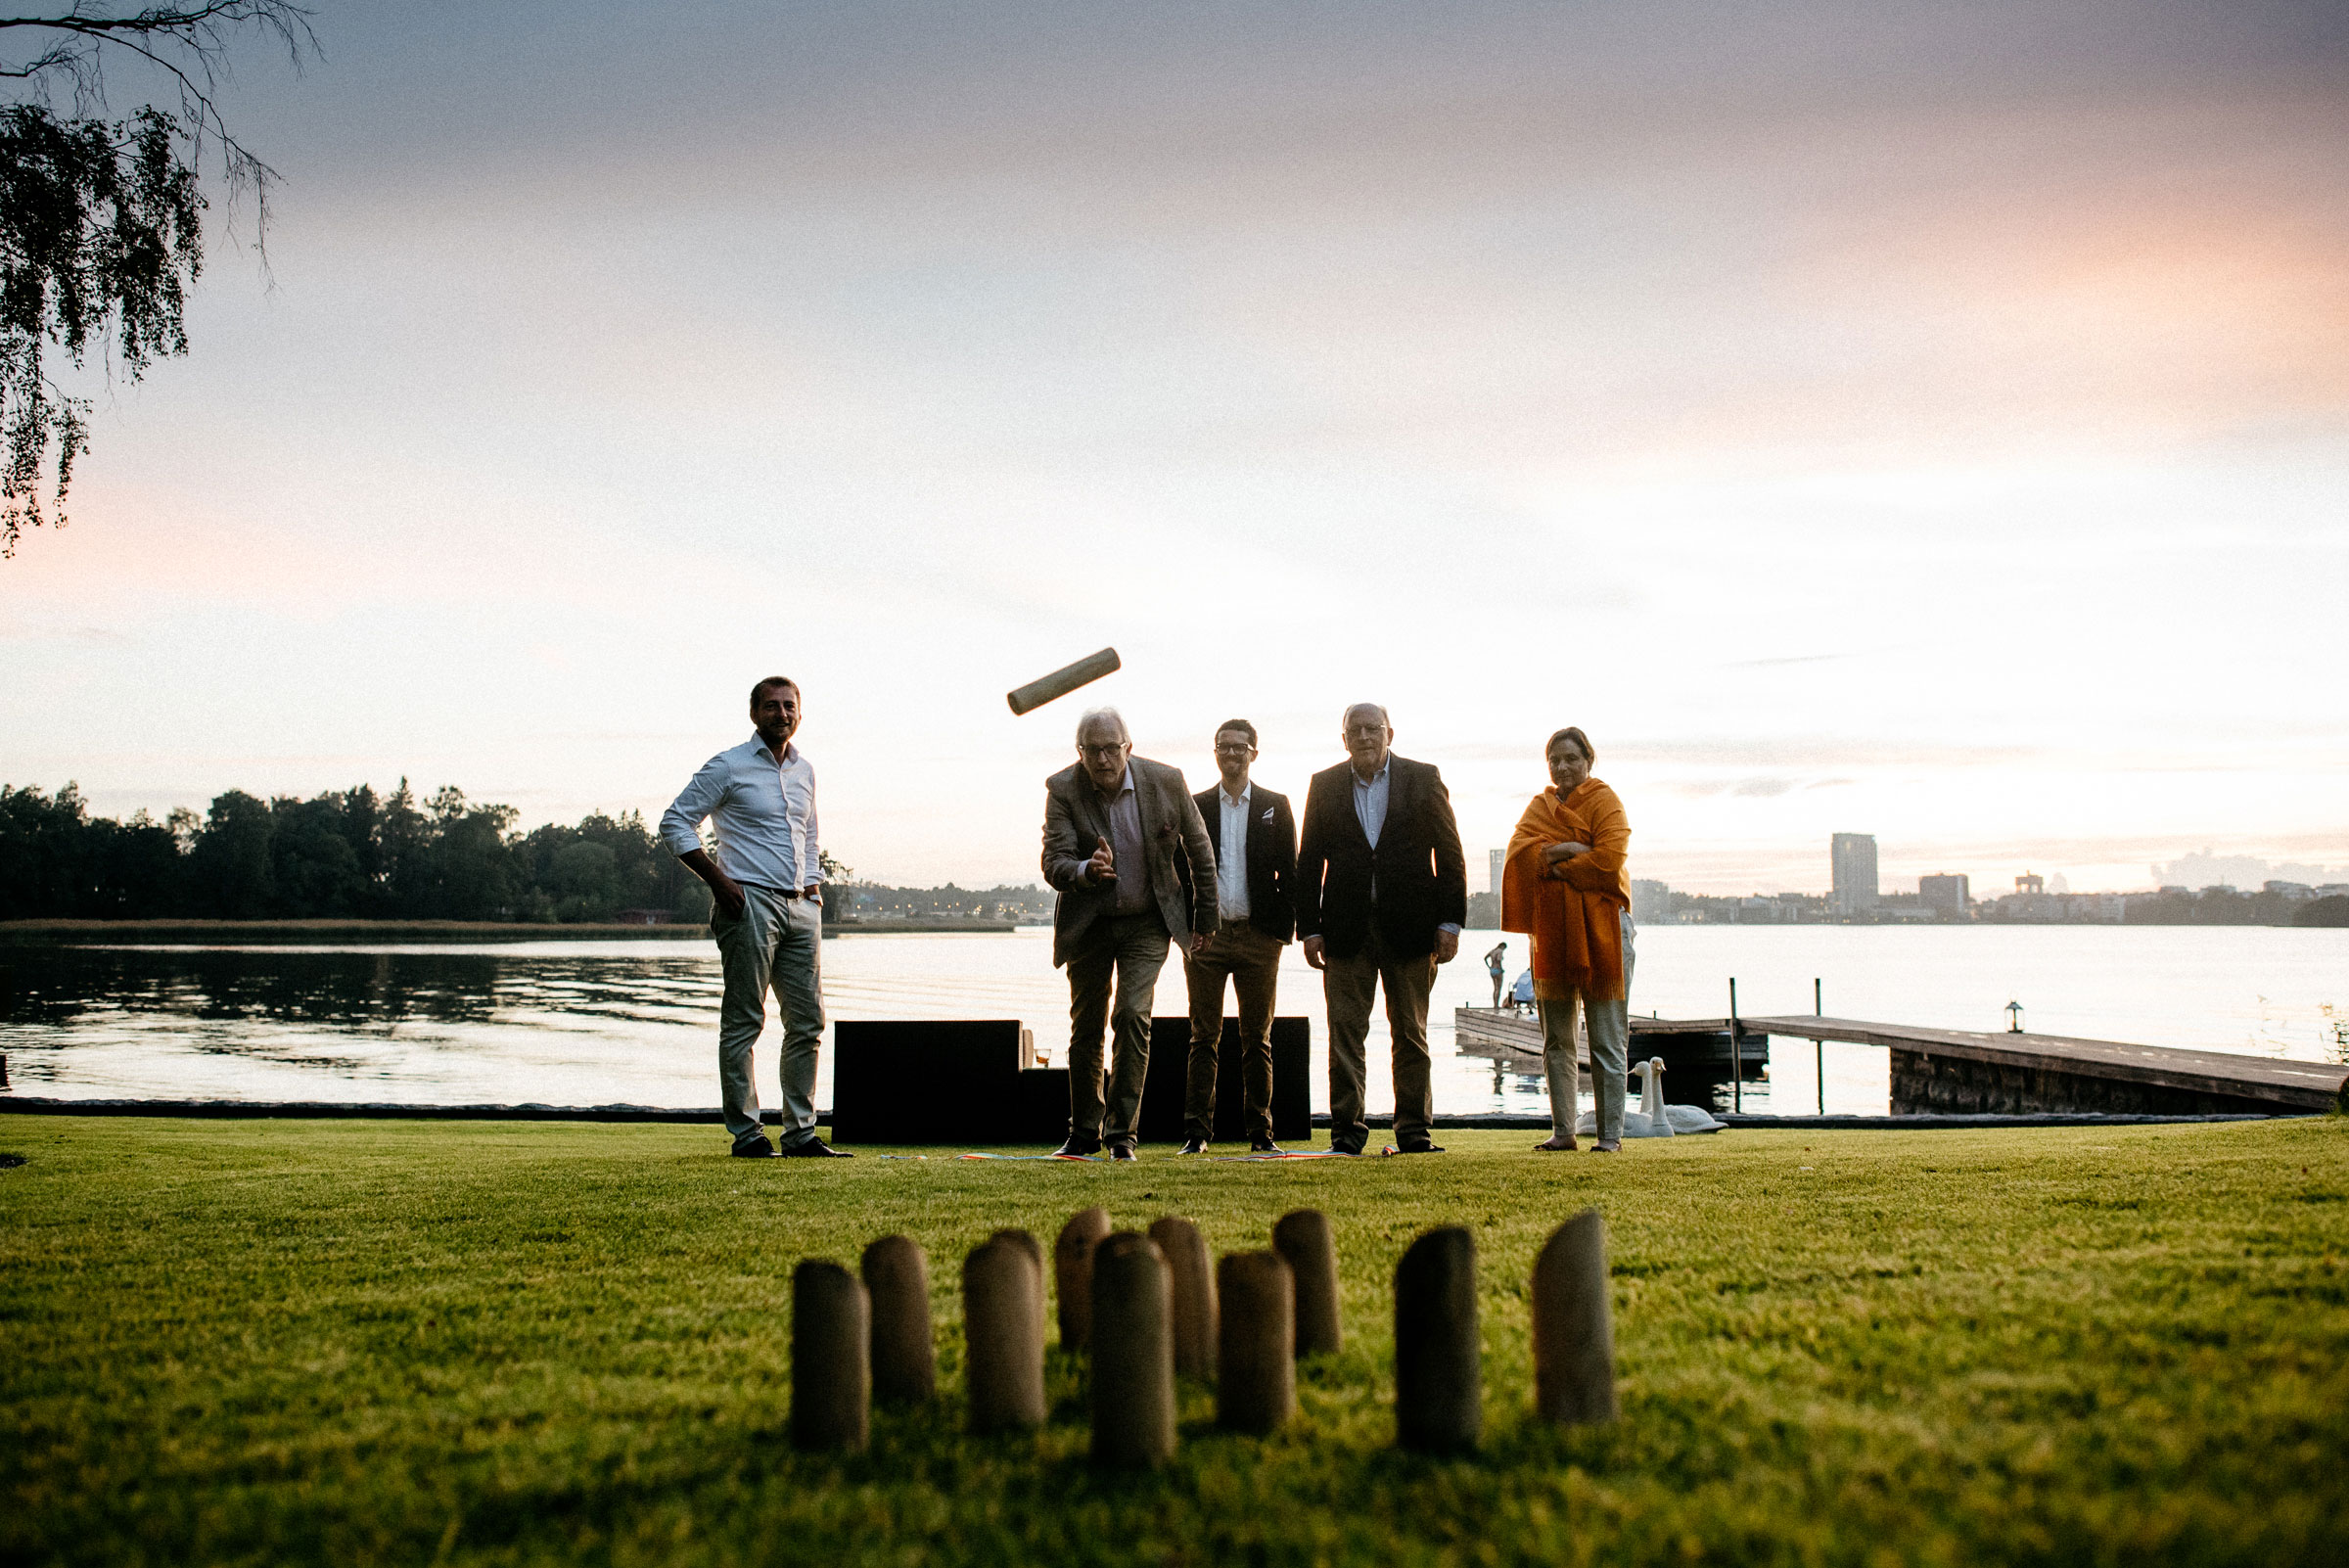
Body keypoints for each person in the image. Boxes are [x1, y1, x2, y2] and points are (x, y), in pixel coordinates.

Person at [660, 675, 849, 1158]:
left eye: (789, 706)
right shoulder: (729, 766)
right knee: (745, 1021)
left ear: (799, 713)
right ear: (754, 714)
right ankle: (747, 1134)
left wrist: (813, 888)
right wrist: (718, 881)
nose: (781, 714)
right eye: (771, 706)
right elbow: (675, 821)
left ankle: (801, 1134)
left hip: (801, 909)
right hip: (749, 904)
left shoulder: (805, 770)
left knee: (808, 1022)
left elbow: (808, 834)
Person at [1041, 707, 1218, 1160]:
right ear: (1079, 753)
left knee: (1133, 1015)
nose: (1102, 759)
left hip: (1148, 920)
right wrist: (1085, 869)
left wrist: (1206, 918)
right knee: (1087, 1027)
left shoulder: (1167, 781)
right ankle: (1083, 1133)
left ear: (1128, 747)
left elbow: (1200, 850)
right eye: (1091, 750)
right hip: (1090, 923)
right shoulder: (1062, 789)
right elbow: (1053, 862)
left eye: (1110, 748)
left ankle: (1121, 1135)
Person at [1295, 703, 1466, 1155]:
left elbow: (1450, 854)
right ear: (1344, 738)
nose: (1366, 736)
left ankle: (1414, 1132)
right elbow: (1309, 862)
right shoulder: (1324, 785)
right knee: (1345, 1034)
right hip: (1344, 930)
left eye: (1374, 728)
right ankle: (1346, 1135)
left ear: (1390, 732)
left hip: (1411, 928)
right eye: (1356, 729)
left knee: (1410, 1033)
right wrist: (1309, 929)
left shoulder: (1423, 778)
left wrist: (1450, 922)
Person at [1500, 726, 1634, 1153]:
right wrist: (1572, 849)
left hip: (1605, 931)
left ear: (1588, 760)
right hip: (1551, 935)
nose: (1562, 767)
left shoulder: (1606, 802)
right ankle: (1564, 1132)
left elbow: (1609, 862)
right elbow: (1521, 858)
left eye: (1570, 758)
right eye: (1555, 759)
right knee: (1556, 1038)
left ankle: (1610, 1136)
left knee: (1606, 1038)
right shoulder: (1539, 807)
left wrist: (1554, 861)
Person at [1179, 718, 1297, 1155]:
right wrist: (1187, 927)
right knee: (1202, 1037)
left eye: (1239, 747)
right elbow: (1180, 871)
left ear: (1253, 753)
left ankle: (1261, 1135)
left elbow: (1292, 871)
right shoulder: (1193, 805)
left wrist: (1280, 933)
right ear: (1215, 753)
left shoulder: (1274, 805)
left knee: (1257, 1039)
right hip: (1205, 939)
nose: (1231, 754)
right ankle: (1196, 1134)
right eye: (1223, 747)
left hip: (1258, 938)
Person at [1485, 940, 1509, 1008]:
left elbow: (1485, 958)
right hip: (1498, 970)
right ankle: (1496, 1005)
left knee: (1495, 988)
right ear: (1503, 946)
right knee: (1499, 988)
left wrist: (1489, 967)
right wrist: (1501, 969)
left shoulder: (1493, 951)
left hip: (1492, 970)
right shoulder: (1500, 951)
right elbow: (1499, 961)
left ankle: (1495, 1005)